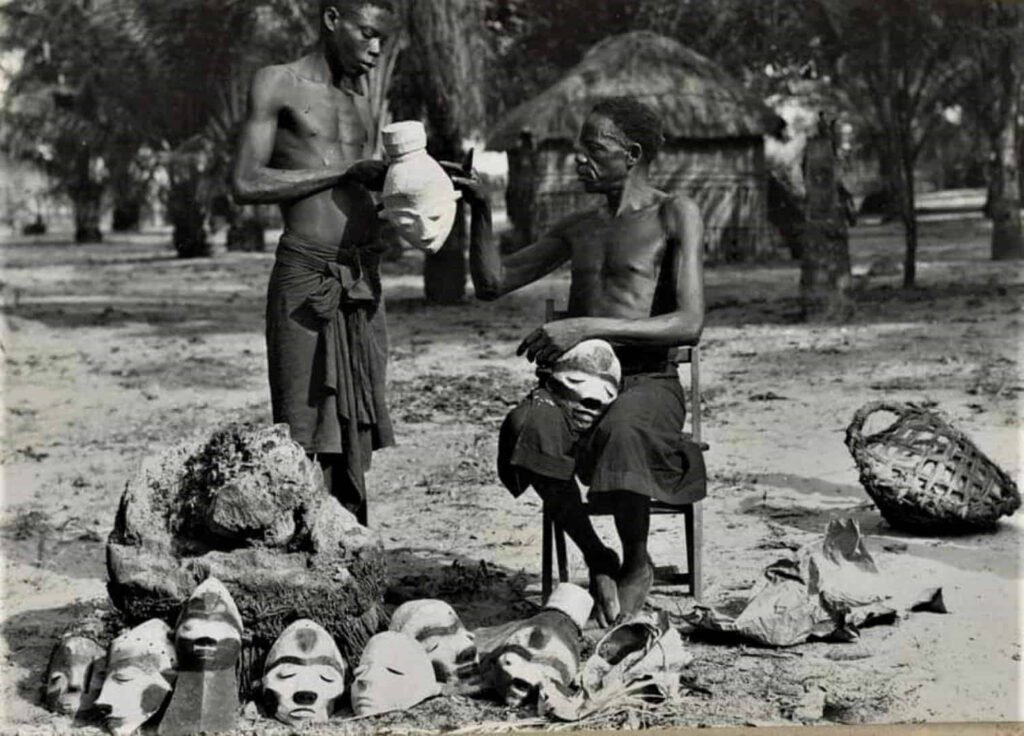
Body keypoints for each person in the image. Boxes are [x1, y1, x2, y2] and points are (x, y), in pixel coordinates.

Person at [452, 97, 706, 625]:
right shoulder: (577, 228)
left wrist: (585, 326)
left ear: (631, 155)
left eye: (594, 150)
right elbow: (492, 283)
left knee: (623, 430)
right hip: (577, 384)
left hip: (648, 381)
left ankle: (637, 560)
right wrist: (478, 210)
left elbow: (688, 323)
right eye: (579, 150)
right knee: (528, 426)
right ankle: (597, 555)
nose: (579, 161)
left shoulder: (673, 212)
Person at [232, 0, 399, 525]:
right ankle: (309, 559)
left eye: (382, 40)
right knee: (302, 428)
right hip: (306, 277)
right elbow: (245, 182)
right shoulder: (276, 83)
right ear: (332, 20)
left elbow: (361, 197)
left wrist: (416, 200)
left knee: (354, 423)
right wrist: (345, 172)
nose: (376, 50)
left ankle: (350, 554)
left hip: (360, 279)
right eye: (367, 34)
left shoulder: (362, 102)